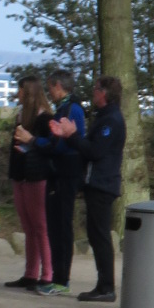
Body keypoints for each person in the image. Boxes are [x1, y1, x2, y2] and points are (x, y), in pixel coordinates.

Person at [77, 75, 126, 304]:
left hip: (103, 183)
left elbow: (95, 151)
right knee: (95, 235)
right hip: (97, 182)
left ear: (104, 93)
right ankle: (102, 284)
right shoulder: (104, 117)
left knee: (100, 235)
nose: (93, 92)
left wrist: (72, 136)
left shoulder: (111, 120)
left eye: (96, 89)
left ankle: (107, 287)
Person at [37, 69, 86, 294]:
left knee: (62, 225)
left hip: (66, 172)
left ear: (58, 86)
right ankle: (57, 276)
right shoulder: (64, 108)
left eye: (50, 87)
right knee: (55, 225)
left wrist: (35, 142)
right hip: (59, 172)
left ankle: (62, 279)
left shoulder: (71, 109)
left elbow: (61, 144)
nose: (49, 92)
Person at [6, 74, 54, 293]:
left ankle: (47, 274)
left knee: (40, 226)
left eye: (21, 90)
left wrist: (30, 143)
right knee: (27, 226)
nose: (18, 94)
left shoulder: (44, 118)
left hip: (36, 176)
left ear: (28, 92)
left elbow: (50, 147)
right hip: (20, 175)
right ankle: (30, 273)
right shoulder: (21, 115)